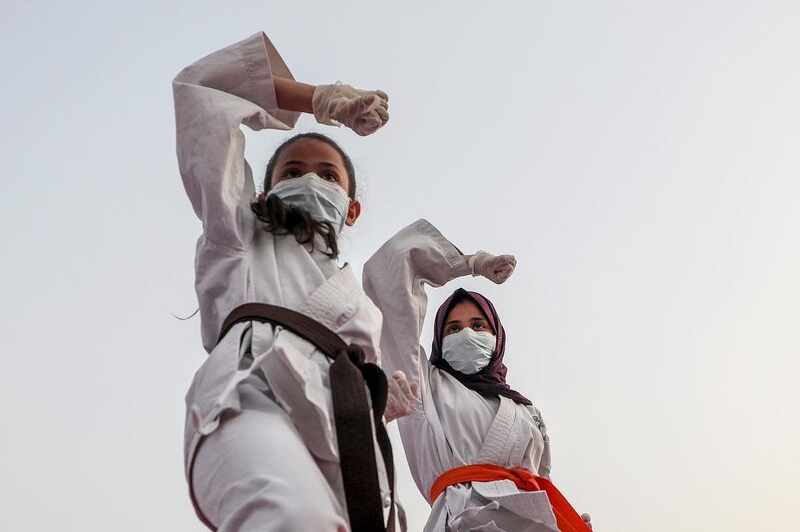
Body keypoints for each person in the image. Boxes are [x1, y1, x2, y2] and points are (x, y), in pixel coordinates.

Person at [173, 31, 415, 532]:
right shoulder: (239, 229)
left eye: (329, 175)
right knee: (291, 519)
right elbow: (200, 91)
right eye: (293, 171)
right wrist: (317, 98)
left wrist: (378, 404)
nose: (312, 180)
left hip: (346, 433)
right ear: (263, 190)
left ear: (352, 208)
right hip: (254, 396)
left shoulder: (357, 300)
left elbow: (328, 366)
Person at [363, 220, 592, 531]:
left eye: (478, 325)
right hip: (461, 521)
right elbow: (386, 275)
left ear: (496, 337)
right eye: (453, 328)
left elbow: (541, 479)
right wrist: (470, 263)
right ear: (439, 342)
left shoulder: (527, 412)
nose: (467, 333)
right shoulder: (424, 385)